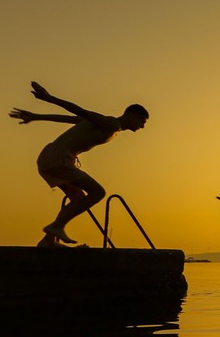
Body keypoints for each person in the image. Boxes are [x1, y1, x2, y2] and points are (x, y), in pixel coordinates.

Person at [9, 81, 149, 247]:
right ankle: (56, 226)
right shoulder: (112, 124)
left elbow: (69, 119)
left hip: (51, 157)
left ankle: (48, 241)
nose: (142, 126)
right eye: (142, 121)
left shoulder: (108, 125)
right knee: (98, 192)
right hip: (59, 159)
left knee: (78, 197)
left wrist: (36, 116)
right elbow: (81, 111)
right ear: (132, 115)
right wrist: (50, 98)